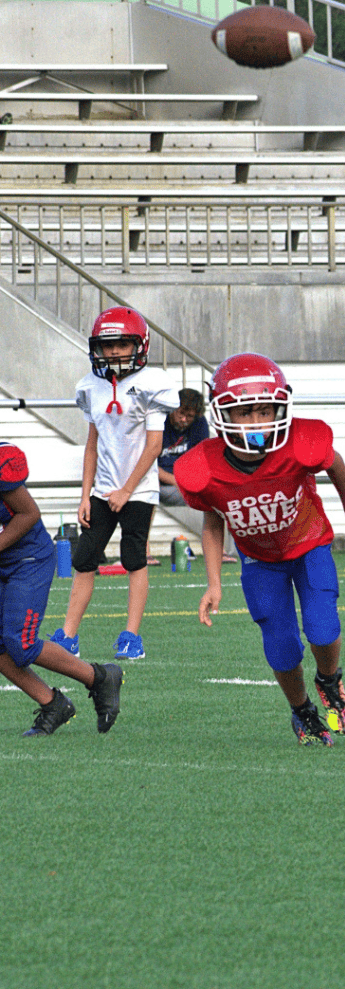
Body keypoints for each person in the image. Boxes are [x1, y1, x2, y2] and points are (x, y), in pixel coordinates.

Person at [175, 352, 345, 746]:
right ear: (222, 415)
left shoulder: (301, 442)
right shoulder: (203, 467)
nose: (255, 423)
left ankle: (329, 680)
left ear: (280, 406)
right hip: (260, 559)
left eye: (264, 410)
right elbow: (213, 520)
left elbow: (333, 462)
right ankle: (302, 711)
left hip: (308, 544)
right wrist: (213, 583)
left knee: (322, 625)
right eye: (244, 413)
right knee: (281, 646)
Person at [49, 306, 179, 662]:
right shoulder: (91, 386)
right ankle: (69, 634)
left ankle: (131, 636)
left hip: (137, 490)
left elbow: (155, 445)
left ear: (139, 345)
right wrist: (85, 495)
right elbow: (92, 444)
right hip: (102, 489)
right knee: (84, 558)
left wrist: (127, 490)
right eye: (108, 346)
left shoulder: (152, 385)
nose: (114, 352)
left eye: (122, 344)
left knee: (134, 558)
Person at [0, 440, 123, 736]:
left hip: (25, 557)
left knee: (21, 642)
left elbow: (29, 514)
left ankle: (99, 677)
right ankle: (53, 704)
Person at [157, 388, 209, 507]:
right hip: (159, 481)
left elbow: (201, 459)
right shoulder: (160, 421)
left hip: (185, 479)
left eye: (190, 416)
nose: (184, 419)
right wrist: (178, 482)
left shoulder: (199, 423)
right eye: (181, 413)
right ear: (172, 409)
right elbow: (148, 464)